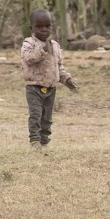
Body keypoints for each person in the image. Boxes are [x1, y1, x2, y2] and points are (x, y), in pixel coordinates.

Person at [20, 9, 78, 150]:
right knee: (36, 115)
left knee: (47, 118)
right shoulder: (29, 43)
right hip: (34, 87)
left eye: (47, 26)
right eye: (39, 26)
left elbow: (59, 66)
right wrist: (42, 50)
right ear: (32, 28)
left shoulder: (55, 46)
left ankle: (44, 141)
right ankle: (35, 140)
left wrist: (66, 79)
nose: (44, 30)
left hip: (51, 88)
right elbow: (29, 59)